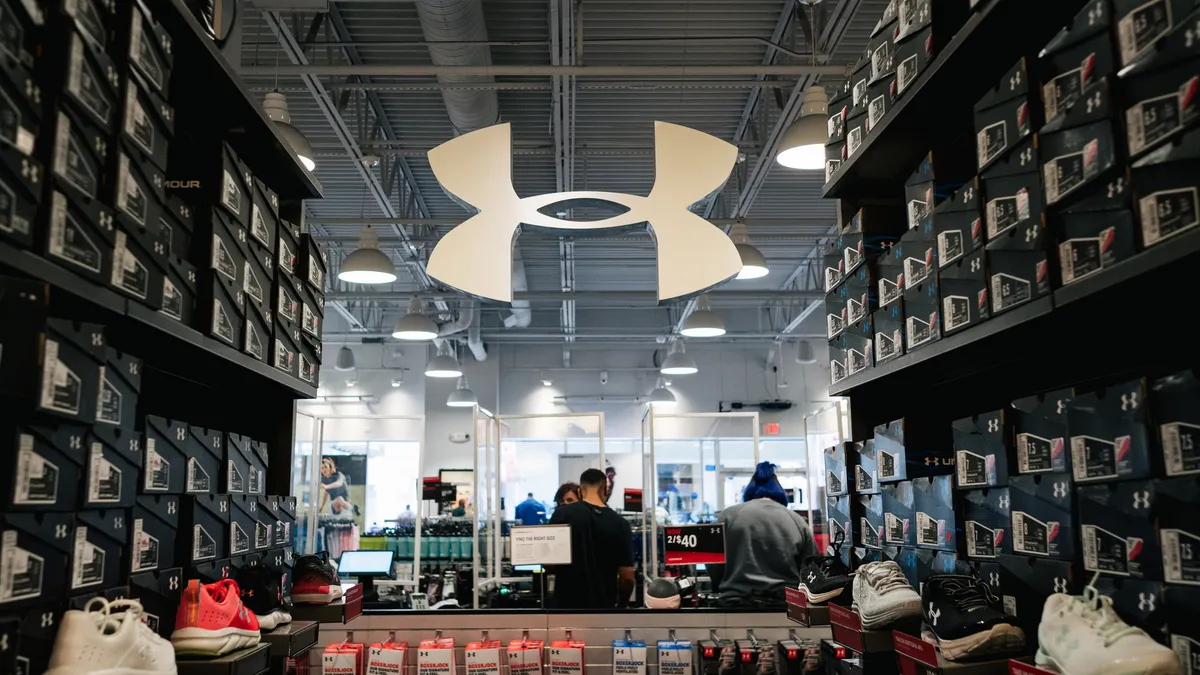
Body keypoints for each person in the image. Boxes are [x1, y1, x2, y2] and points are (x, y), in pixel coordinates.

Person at [709, 461, 815, 608]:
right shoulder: (796, 520)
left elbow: (713, 562)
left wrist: (719, 585)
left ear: (750, 492)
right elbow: (811, 567)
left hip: (735, 604)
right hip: (786, 606)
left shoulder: (728, 516)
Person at [548, 469, 635, 609]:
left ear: (580, 492)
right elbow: (627, 578)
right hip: (604, 608)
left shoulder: (561, 514)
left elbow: (548, 565)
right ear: (605, 491)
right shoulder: (621, 523)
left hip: (566, 607)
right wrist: (622, 605)